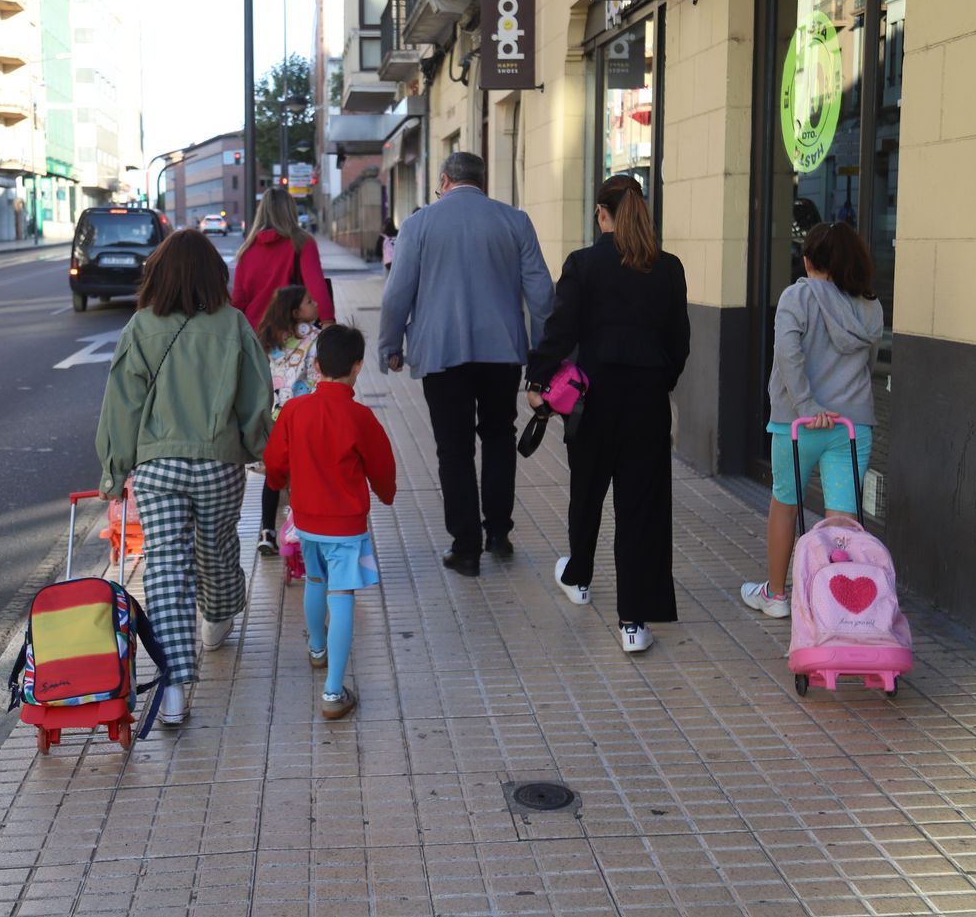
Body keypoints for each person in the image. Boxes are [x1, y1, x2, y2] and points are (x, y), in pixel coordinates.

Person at [95, 229, 272, 726]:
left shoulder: (141, 326)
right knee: (217, 548)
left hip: (157, 467)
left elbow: (121, 405)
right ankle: (217, 619)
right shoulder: (233, 324)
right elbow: (256, 398)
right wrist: (261, 450)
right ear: (214, 274)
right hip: (219, 463)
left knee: (166, 568)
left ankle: (172, 690)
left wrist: (114, 470)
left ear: (160, 274)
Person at [526, 173, 690, 653]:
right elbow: (679, 342)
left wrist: (536, 381)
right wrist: (659, 381)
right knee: (640, 509)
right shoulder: (668, 267)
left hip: (592, 401)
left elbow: (559, 331)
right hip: (647, 402)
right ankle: (633, 624)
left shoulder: (583, 264)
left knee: (587, 492)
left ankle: (578, 576)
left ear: (602, 213)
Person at [378, 151, 554, 577]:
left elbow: (397, 293)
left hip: (442, 355)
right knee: (499, 437)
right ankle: (499, 533)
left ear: (444, 181)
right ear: (482, 181)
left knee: (453, 450)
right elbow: (542, 295)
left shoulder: (418, 224)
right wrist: (543, 356)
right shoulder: (515, 221)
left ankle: (466, 548)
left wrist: (390, 345)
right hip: (502, 352)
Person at [742, 222, 884, 619]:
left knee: (786, 503)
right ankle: (836, 606)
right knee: (843, 518)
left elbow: (788, 353)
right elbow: (869, 363)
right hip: (852, 425)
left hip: (798, 424)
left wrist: (807, 405)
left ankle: (776, 595)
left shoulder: (798, 295)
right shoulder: (869, 305)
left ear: (808, 261)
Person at [263, 325, 395, 720]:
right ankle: (334, 692)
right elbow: (382, 467)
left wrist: (278, 482)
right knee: (342, 597)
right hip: (346, 526)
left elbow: (274, 461)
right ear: (358, 367)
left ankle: (316, 649)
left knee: (315, 580)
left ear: (317, 366)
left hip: (306, 520)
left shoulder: (294, 410)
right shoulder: (360, 417)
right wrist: (385, 494)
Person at [254, 285, 323, 555]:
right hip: (305, 417)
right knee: (303, 476)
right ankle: (301, 531)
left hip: (275, 418)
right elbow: (318, 377)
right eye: (309, 301)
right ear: (296, 312)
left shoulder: (272, 341)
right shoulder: (315, 339)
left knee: (274, 475)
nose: (316, 303)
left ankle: (267, 532)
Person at [232, 187, 336, 332]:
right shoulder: (302, 242)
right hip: (291, 334)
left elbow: (239, 301)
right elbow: (316, 286)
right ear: (291, 211)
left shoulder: (247, 249)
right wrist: (328, 321)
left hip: (254, 334)